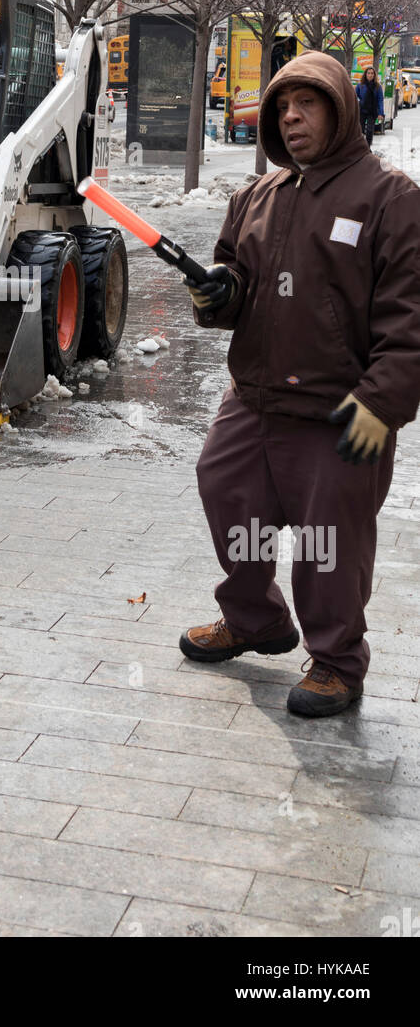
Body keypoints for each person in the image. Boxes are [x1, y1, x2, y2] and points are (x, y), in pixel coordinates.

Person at [181, 51, 420, 717]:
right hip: (254, 399)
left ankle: (338, 663)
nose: (290, 117)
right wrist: (216, 295)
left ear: (341, 109)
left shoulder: (390, 198)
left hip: (340, 412)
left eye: (306, 103)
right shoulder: (256, 196)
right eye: (282, 106)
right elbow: (234, 287)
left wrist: (384, 399)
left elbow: (412, 316)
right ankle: (256, 619)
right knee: (225, 492)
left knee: (328, 544)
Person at [355, 65, 383, 148]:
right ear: (365, 74)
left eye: (372, 73)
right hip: (362, 110)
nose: (370, 75)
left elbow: (380, 100)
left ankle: (367, 147)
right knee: (360, 130)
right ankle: (359, 147)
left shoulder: (378, 86)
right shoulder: (360, 85)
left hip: (372, 111)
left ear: (374, 75)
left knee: (370, 130)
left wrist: (381, 113)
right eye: (368, 73)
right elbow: (355, 96)